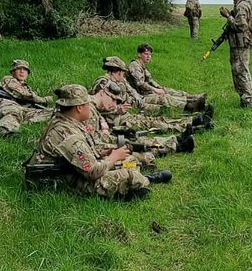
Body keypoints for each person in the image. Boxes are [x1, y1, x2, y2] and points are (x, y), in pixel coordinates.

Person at [30, 85, 164, 198]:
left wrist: (106, 152)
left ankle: (139, 180)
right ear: (79, 108)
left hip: (72, 171)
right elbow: (92, 171)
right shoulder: (68, 135)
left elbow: (86, 153)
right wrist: (112, 157)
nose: (90, 107)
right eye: (87, 104)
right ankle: (143, 181)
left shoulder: (69, 123)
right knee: (125, 173)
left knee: (128, 161)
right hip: (62, 181)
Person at [127, 45, 207, 112]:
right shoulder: (135, 65)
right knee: (166, 97)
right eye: (146, 54)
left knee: (169, 91)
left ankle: (194, 98)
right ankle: (190, 105)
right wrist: (155, 90)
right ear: (139, 54)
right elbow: (140, 83)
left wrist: (159, 88)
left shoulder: (142, 66)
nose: (148, 57)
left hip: (148, 91)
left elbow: (150, 80)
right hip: (142, 94)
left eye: (150, 55)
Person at [0, 59, 54, 137]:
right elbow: (24, 94)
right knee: (13, 113)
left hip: (24, 109)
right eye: (19, 69)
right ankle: (6, 130)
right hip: (9, 104)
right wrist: (44, 100)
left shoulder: (27, 88)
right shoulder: (8, 79)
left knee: (53, 112)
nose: (22, 71)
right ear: (13, 72)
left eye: (25, 69)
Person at [221, 0, 252, 107]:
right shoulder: (238, 4)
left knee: (241, 71)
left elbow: (241, 26)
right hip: (236, 44)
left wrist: (228, 17)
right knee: (237, 70)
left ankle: (247, 100)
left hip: (241, 44)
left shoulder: (241, 6)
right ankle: (244, 98)